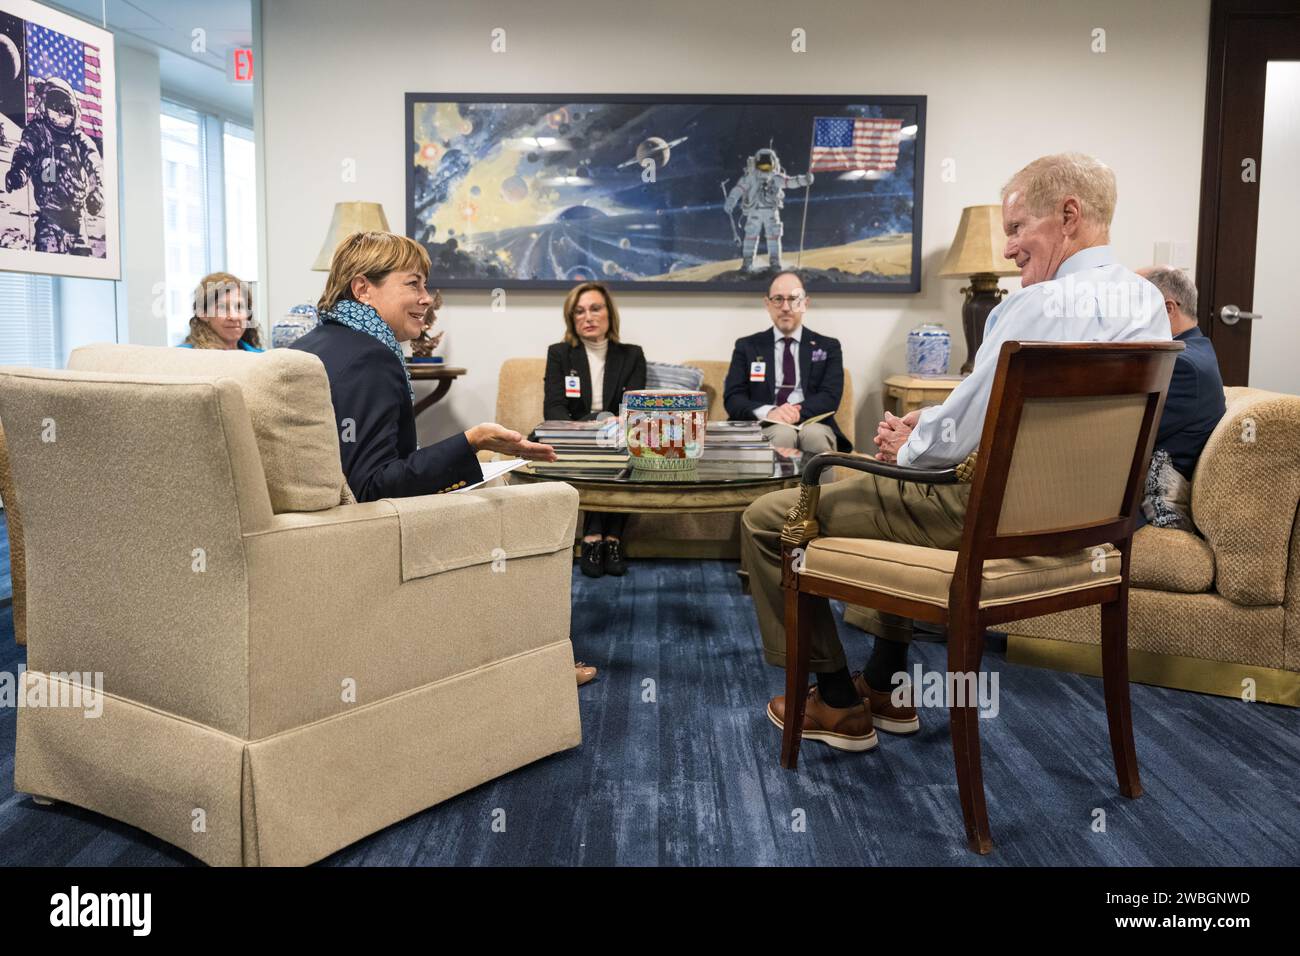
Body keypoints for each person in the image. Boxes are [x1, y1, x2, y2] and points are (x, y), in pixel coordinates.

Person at [744, 153, 1172, 753]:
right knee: (892, 488)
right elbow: (993, 419)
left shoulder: (1033, 307)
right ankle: (890, 684)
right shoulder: (1147, 305)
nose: (1009, 249)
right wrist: (933, 428)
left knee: (769, 519)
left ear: (1069, 216)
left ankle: (838, 703)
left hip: (984, 517)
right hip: (1079, 526)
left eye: (1018, 229)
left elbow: (948, 443)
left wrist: (906, 442)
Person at [291, 233, 598, 687]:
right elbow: (371, 486)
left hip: (315, 536)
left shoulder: (313, 344)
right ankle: (534, 662)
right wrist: (470, 441)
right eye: (413, 285)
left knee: (490, 482)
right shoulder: (369, 359)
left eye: (425, 286)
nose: (425, 300)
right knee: (516, 503)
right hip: (364, 537)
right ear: (362, 289)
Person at [543, 282, 646, 578]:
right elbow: (553, 409)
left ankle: (607, 538)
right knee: (604, 442)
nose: (588, 317)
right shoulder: (560, 354)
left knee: (625, 442)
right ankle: (597, 538)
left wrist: (616, 421)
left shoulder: (632, 354)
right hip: (575, 435)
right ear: (571, 319)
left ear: (609, 315)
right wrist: (593, 423)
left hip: (618, 433)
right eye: (579, 311)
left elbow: (635, 406)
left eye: (595, 308)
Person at [722, 270, 852, 457]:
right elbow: (733, 399)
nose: (785, 307)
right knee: (782, 434)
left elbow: (830, 397)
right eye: (778, 299)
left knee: (815, 436)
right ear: (767, 304)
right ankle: (779, 488)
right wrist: (771, 412)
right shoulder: (747, 346)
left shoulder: (828, 346)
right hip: (767, 425)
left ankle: (821, 489)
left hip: (814, 423)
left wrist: (795, 412)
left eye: (793, 299)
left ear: (805, 303)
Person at [1135, 266, 1225, 527]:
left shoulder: (1182, 366)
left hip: (1146, 508)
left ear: (1168, 309)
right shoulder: (1196, 350)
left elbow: (1125, 436)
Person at [181, 272, 263, 351]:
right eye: (222, 307)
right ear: (203, 313)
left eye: (239, 307)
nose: (233, 317)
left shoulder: (261, 357)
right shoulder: (182, 357)